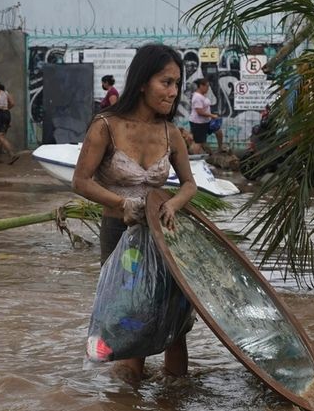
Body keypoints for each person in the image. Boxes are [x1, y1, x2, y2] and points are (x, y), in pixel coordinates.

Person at [72, 43, 197, 382]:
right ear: (142, 82)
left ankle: (174, 398)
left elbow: (189, 185)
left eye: (176, 84)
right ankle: (126, 399)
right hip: (120, 237)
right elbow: (81, 181)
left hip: (166, 239)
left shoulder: (171, 134)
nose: (172, 92)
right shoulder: (106, 126)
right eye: (165, 82)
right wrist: (121, 203)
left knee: (174, 323)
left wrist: (171, 204)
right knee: (129, 321)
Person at [189, 78, 219, 154]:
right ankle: (194, 160)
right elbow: (199, 112)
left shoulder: (202, 96)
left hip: (206, 122)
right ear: (201, 86)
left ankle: (219, 149)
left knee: (218, 131)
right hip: (198, 123)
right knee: (198, 142)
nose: (208, 88)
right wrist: (212, 115)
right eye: (207, 86)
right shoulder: (197, 97)